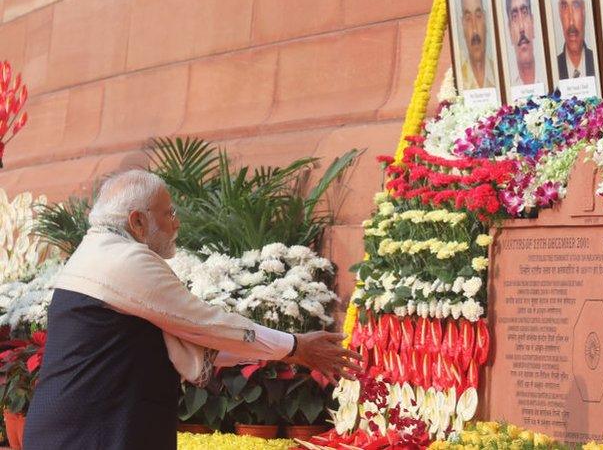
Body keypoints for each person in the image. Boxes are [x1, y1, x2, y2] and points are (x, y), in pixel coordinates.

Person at [24, 170, 362, 450]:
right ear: (137, 221)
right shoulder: (125, 260)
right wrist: (294, 346)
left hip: (81, 428)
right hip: (90, 434)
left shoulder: (97, 251)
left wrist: (285, 351)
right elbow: (205, 325)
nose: (176, 222)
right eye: (168, 212)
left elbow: (184, 340)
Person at [555, 0, 595, 79]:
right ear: (559, 11)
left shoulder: (599, 63)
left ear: (583, 9)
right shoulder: (553, 69)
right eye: (565, 6)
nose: (571, 20)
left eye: (576, 5)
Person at [457, 0, 497, 90]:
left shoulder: (500, 73)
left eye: (478, 16)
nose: (474, 28)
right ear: (462, 25)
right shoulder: (457, 80)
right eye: (468, 18)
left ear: (485, 19)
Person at [505, 0, 538, 86]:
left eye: (524, 13)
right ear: (509, 30)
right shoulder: (507, 87)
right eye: (514, 16)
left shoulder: (551, 77)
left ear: (533, 22)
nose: (521, 27)